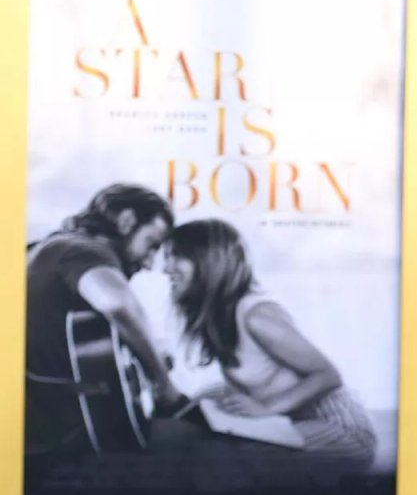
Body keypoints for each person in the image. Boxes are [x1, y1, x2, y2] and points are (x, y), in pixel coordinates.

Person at [165, 218, 376, 458]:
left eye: (176, 256)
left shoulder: (257, 316)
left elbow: (328, 375)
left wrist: (266, 408)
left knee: (223, 456)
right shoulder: (221, 315)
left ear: (207, 261)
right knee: (195, 418)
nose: (166, 268)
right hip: (287, 421)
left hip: (339, 428)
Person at [25, 183, 182, 456]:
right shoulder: (85, 250)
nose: (149, 263)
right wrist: (163, 385)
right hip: (64, 440)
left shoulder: (47, 249)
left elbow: (84, 344)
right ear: (126, 221)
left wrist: (143, 352)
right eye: (151, 244)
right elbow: (118, 305)